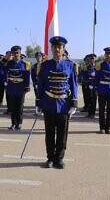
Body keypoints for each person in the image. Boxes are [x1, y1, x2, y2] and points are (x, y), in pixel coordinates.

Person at [38, 36, 78, 169]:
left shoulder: (70, 65)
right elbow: (41, 85)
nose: (56, 49)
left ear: (63, 49)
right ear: (51, 49)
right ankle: (49, 158)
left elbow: (73, 85)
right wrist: (39, 103)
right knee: (49, 133)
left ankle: (59, 158)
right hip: (49, 104)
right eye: (54, 47)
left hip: (64, 105)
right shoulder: (45, 65)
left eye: (59, 47)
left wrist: (74, 104)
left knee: (62, 134)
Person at [94, 47, 110, 134]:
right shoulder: (100, 64)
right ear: (105, 55)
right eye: (107, 54)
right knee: (101, 110)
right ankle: (101, 127)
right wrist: (96, 88)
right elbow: (96, 77)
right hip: (102, 89)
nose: (108, 55)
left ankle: (108, 128)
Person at [5, 46, 31, 130]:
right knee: (12, 107)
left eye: (17, 53)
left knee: (19, 107)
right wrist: (5, 58)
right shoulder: (9, 63)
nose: (16, 54)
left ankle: (19, 123)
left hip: (20, 88)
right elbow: (1, 70)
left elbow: (27, 76)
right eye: (14, 53)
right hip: (11, 88)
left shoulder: (25, 64)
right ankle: (13, 123)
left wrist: (27, 86)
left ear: (20, 53)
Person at [84, 54, 97, 119]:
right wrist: (87, 83)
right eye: (91, 59)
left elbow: (98, 77)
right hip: (89, 86)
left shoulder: (97, 67)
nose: (92, 60)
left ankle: (93, 113)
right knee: (89, 100)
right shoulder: (87, 67)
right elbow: (85, 76)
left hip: (94, 86)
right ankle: (89, 113)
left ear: (95, 59)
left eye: (93, 58)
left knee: (94, 100)